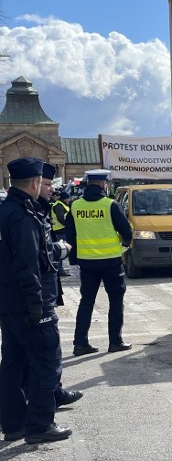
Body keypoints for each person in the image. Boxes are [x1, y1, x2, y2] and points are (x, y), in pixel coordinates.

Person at [0, 157, 73, 444]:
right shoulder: (23, 216)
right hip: (31, 303)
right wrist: (37, 305)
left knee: (13, 364)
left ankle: (13, 424)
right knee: (45, 363)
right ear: (33, 182)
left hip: (8, 303)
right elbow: (27, 264)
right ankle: (40, 425)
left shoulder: (5, 211)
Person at [66, 169, 133, 356]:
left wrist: (72, 263)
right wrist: (123, 247)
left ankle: (80, 343)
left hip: (87, 263)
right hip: (111, 262)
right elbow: (126, 232)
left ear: (88, 183)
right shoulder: (110, 205)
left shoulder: (75, 206)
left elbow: (70, 236)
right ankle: (115, 342)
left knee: (86, 301)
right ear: (104, 184)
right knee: (116, 301)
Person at [36, 163, 84, 409]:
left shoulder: (36, 209)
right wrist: (60, 250)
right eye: (46, 184)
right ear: (34, 183)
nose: (50, 190)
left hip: (34, 294)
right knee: (45, 354)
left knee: (23, 357)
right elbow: (32, 257)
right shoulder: (26, 213)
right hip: (35, 298)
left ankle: (15, 416)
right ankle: (41, 417)